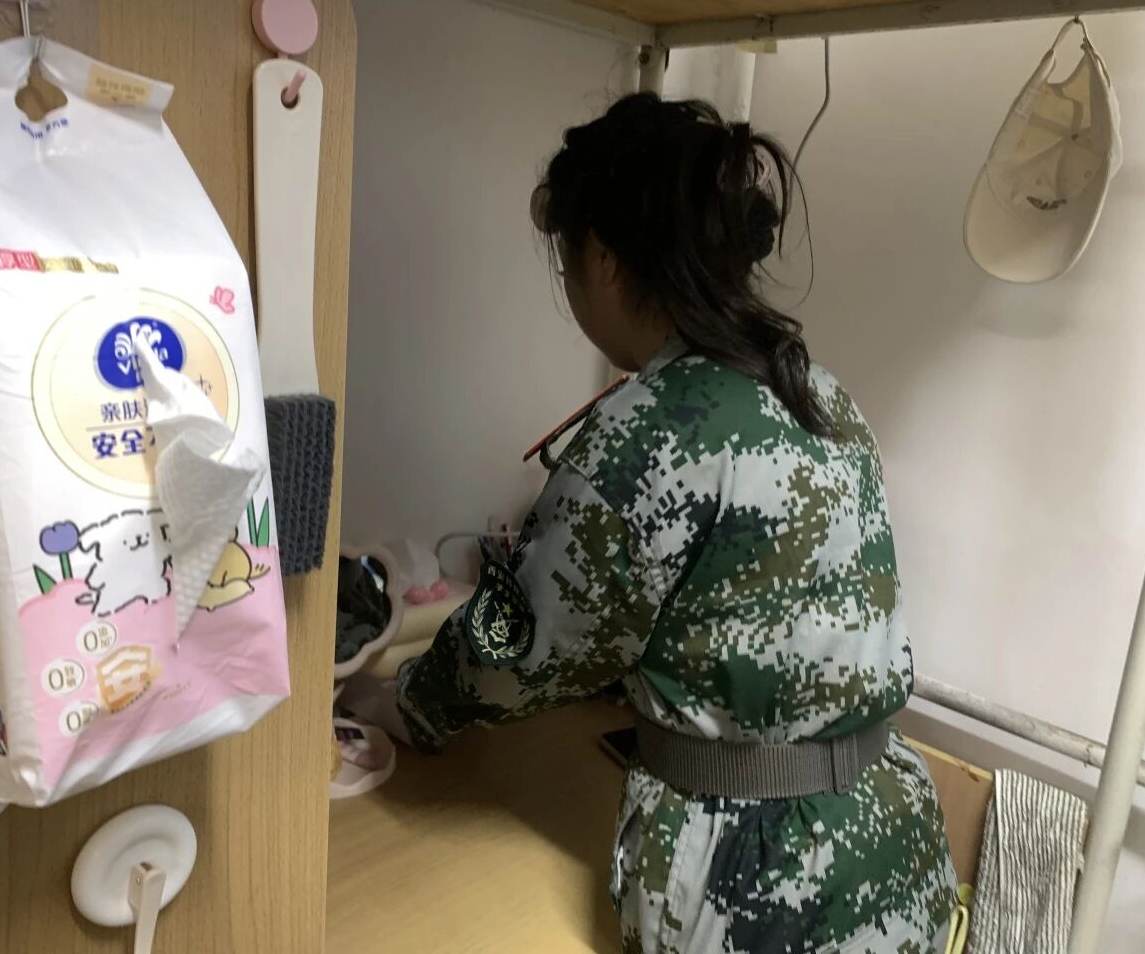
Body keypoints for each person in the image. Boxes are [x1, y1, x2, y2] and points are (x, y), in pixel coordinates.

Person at [363, 93, 957, 953]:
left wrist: (404, 704)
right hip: (893, 841)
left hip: (756, 884)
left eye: (568, 262)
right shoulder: (819, 392)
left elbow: (515, 655)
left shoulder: (650, 428)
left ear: (602, 258)